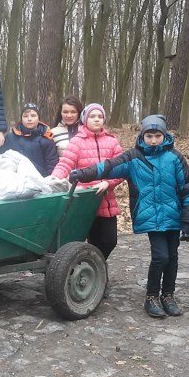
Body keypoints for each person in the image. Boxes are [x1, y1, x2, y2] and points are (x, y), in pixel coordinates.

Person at [69, 114, 189, 318]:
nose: (153, 140)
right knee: (161, 257)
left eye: (157, 136)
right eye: (149, 136)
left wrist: (188, 222)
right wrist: (84, 173)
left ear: (164, 135)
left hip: (173, 216)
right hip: (151, 217)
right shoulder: (134, 157)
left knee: (172, 257)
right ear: (142, 136)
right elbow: (108, 166)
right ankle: (151, 297)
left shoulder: (174, 157)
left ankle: (168, 295)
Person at [52, 103, 123, 271]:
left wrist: (108, 183)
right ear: (85, 119)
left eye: (100, 116)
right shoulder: (77, 141)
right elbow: (65, 164)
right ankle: (91, 272)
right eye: (92, 116)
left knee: (110, 240)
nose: (96, 119)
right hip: (85, 200)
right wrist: (53, 179)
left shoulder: (112, 141)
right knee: (88, 241)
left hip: (106, 200)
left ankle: (95, 267)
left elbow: (122, 168)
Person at [0, 102, 58, 176]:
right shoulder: (10, 138)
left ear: (38, 118)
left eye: (33, 116)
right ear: (21, 118)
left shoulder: (46, 139)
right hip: (13, 179)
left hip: (39, 180)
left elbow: (52, 165)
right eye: (25, 116)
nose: (29, 119)